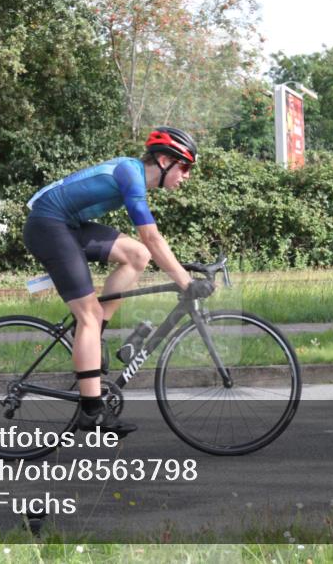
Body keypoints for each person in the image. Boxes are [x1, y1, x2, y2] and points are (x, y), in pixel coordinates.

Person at [23, 126, 215, 437]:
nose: (187, 175)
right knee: (89, 313)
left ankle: (93, 335)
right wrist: (184, 281)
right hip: (49, 226)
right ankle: (91, 411)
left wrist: (181, 270)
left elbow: (148, 248)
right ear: (165, 160)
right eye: (185, 167)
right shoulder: (131, 174)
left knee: (137, 255)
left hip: (67, 225)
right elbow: (152, 236)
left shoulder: (133, 175)